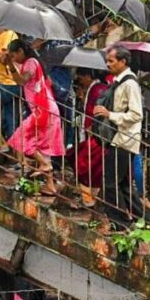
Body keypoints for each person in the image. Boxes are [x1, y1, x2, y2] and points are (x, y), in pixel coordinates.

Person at [92, 45, 144, 224]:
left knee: (110, 182)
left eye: (111, 61)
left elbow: (136, 115)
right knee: (122, 184)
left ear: (123, 62)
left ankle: (120, 223)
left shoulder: (130, 84)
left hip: (124, 139)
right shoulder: (119, 82)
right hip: (120, 139)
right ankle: (143, 220)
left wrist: (110, 114)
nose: (108, 64)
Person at [5, 39, 65, 193]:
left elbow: (22, 80)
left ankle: (44, 165)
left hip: (43, 110)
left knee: (20, 138)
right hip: (47, 109)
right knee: (43, 148)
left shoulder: (31, 62)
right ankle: (50, 185)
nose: (13, 59)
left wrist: (10, 64)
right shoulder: (28, 62)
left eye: (13, 55)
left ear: (20, 52)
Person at [66, 68, 108, 207]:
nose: (80, 81)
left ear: (88, 76)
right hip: (93, 134)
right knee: (92, 169)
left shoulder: (97, 89)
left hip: (95, 135)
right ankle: (89, 198)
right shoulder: (95, 88)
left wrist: (92, 129)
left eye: (81, 78)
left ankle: (87, 199)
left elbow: (95, 112)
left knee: (82, 165)